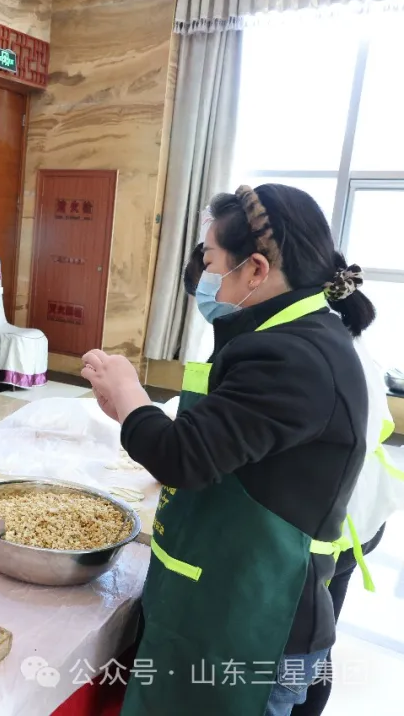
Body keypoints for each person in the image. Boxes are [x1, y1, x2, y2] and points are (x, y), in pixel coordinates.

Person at [82, 184, 375, 716]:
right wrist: (128, 411)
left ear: (256, 269)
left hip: (258, 616)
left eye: (212, 260)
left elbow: (183, 456)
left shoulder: (295, 356)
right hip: (222, 589)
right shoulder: (281, 335)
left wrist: (131, 394)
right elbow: (220, 442)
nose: (206, 275)